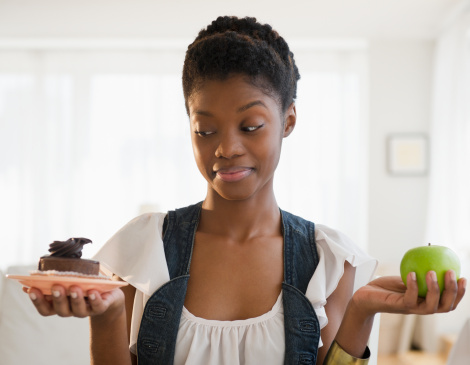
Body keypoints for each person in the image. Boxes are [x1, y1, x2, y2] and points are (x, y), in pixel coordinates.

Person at [27, 16, 466, 365]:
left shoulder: (328, 259)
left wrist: (362, 310)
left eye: (250, 126)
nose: (226, 148)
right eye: (205, 130)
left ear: (288, 120)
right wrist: (107, 320)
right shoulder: (145, 246)